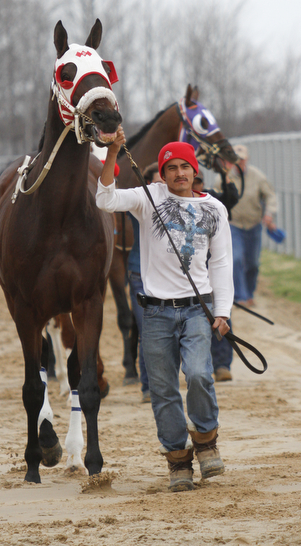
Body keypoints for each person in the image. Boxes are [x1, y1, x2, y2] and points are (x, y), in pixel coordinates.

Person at [97, 128, 233, 492]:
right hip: (155, 313)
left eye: (184, 166)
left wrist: (223, 311)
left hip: (197, 310)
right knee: (162, 389)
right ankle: (178, 461)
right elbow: (105, 198)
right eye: (170, 168)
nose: (178, 173)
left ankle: (206, 441)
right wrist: (112, 153)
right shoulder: (148, 197)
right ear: (161, 172)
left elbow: (221, 263)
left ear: (194, 170)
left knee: (200, 375)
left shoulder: (214, 208)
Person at [212, 144, 277, 382]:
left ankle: (248, 291)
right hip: (234, 225)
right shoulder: (225, 178)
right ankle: (240, 295)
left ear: (247, 160)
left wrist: (269, 215)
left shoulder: (258, 176)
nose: (239, 162)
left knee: (252, 263)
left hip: (254, 226)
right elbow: (216, 195)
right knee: (236, 258)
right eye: (235, 159)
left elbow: (270, 196)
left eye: (242, 159)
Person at [127, 162, 162, 404]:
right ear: (148, 184)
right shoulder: (140, 203)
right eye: (158, 183)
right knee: (147, 330)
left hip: (169, 277)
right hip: (141, 274)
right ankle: (148, 387)